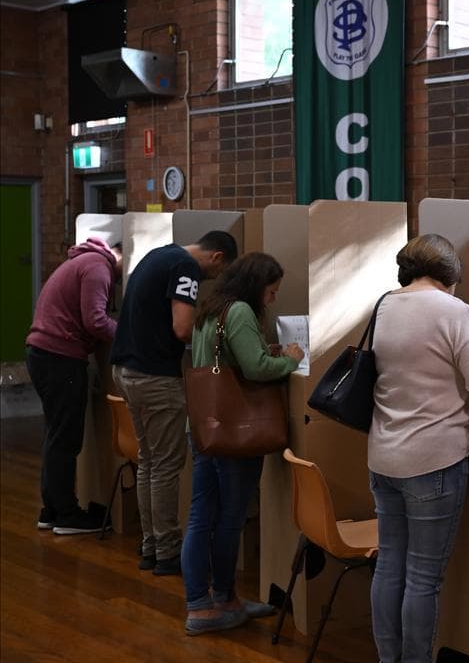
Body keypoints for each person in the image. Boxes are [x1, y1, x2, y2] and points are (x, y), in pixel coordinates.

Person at [367, 234, 469, 663]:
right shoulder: (454, 311)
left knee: (389, 566)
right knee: (422, 578)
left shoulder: (384, 305)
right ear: (449, 274)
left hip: (384, 455)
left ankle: (389, 659)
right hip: (433, 460)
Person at [181, 252, 302, 635]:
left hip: (205, 427)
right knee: (229, 519)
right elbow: (254, 370)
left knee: (202, 516)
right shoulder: (240, 313)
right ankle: (206, 605)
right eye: (271, 291)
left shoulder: (211, 309)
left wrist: (267, 352)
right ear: (256, 285)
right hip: (235, 433)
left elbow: (232, 361)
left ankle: (215, 601)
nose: (272, 299)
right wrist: (291, 360)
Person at [111, 230, 237, 576]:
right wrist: (214, 327)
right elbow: (182, 327)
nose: (211, 281)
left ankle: (151, 545)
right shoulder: (185, 267)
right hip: (155, 377)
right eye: (216, 274)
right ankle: (166, 551)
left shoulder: (158, 254)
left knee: (149, 463)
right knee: (166, 466)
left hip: (126, 371)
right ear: (217, 258)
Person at [26, 237, 124, 535]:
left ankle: (52, 509)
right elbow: (95, 321)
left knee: (56, 435)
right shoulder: (98, 267)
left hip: (44, 353)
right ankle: (68, 515)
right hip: (61, 358)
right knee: (66, 439)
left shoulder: (82, 261)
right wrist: (130, 333)